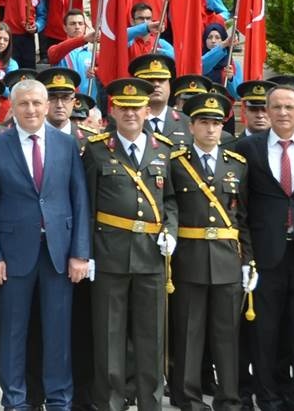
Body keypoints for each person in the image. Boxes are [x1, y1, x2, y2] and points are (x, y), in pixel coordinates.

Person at [0, 78, 91, 410]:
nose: (31, 109)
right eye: (23, 104)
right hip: (13, 255)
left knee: (57, 333)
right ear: (12, 108)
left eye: (36, 103)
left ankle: (59, 399)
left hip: (59, 254)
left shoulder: (66, 144)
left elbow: (79, 200)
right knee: (13, 333)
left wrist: (80, 253)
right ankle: (15, 400)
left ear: (46, 107)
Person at [82, 78, 178, 411]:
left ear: (147, 110)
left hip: (152, 257)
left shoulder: (164, 150)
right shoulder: (96, 149)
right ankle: (109, 403)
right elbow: (87, 205)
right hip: (109, 255)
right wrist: (87, 252)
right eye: (124, 107)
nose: (131, 114)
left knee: (151, 338)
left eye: (137, 108)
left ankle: (150, 403)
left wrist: (172, 232)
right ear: (113, 110)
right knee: (109, 337)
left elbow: (171, 201)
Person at [234, 83, 294, 411]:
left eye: (290, 107)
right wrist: (245, 255)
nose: (283, 113)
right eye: (276, 107)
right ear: (266, 111)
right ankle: (269, 398)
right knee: (264, 332)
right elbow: (241, 206)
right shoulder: (247, 148)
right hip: (265, 255)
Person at [167, 92, 254, 411]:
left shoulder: (238, 166)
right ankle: (188, 399)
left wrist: (249, 260)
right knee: (189, 334)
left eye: (216, 123)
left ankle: (228, 398)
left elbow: (244, 218)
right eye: (204, 123)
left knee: (227, 336)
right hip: (188, 258)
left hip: (228, 260)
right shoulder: (176, 164)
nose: (211, 129)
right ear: (191, 127)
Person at [130, 53, 191, 148]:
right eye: (150, 80)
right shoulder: (126, 121)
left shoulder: (187, 122)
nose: (156, 84)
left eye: (162, 80)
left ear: (169, 85)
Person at [46, 10, 98, 96]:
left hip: (89, 103)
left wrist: (96, 71)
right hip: (66, 103)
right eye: (72, 24)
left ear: (85, 27)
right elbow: (54, 53)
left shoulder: (92, 54)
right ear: (65, 28)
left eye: (80, 23)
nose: (77, 27)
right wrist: (84, 39)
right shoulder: (58, 50)